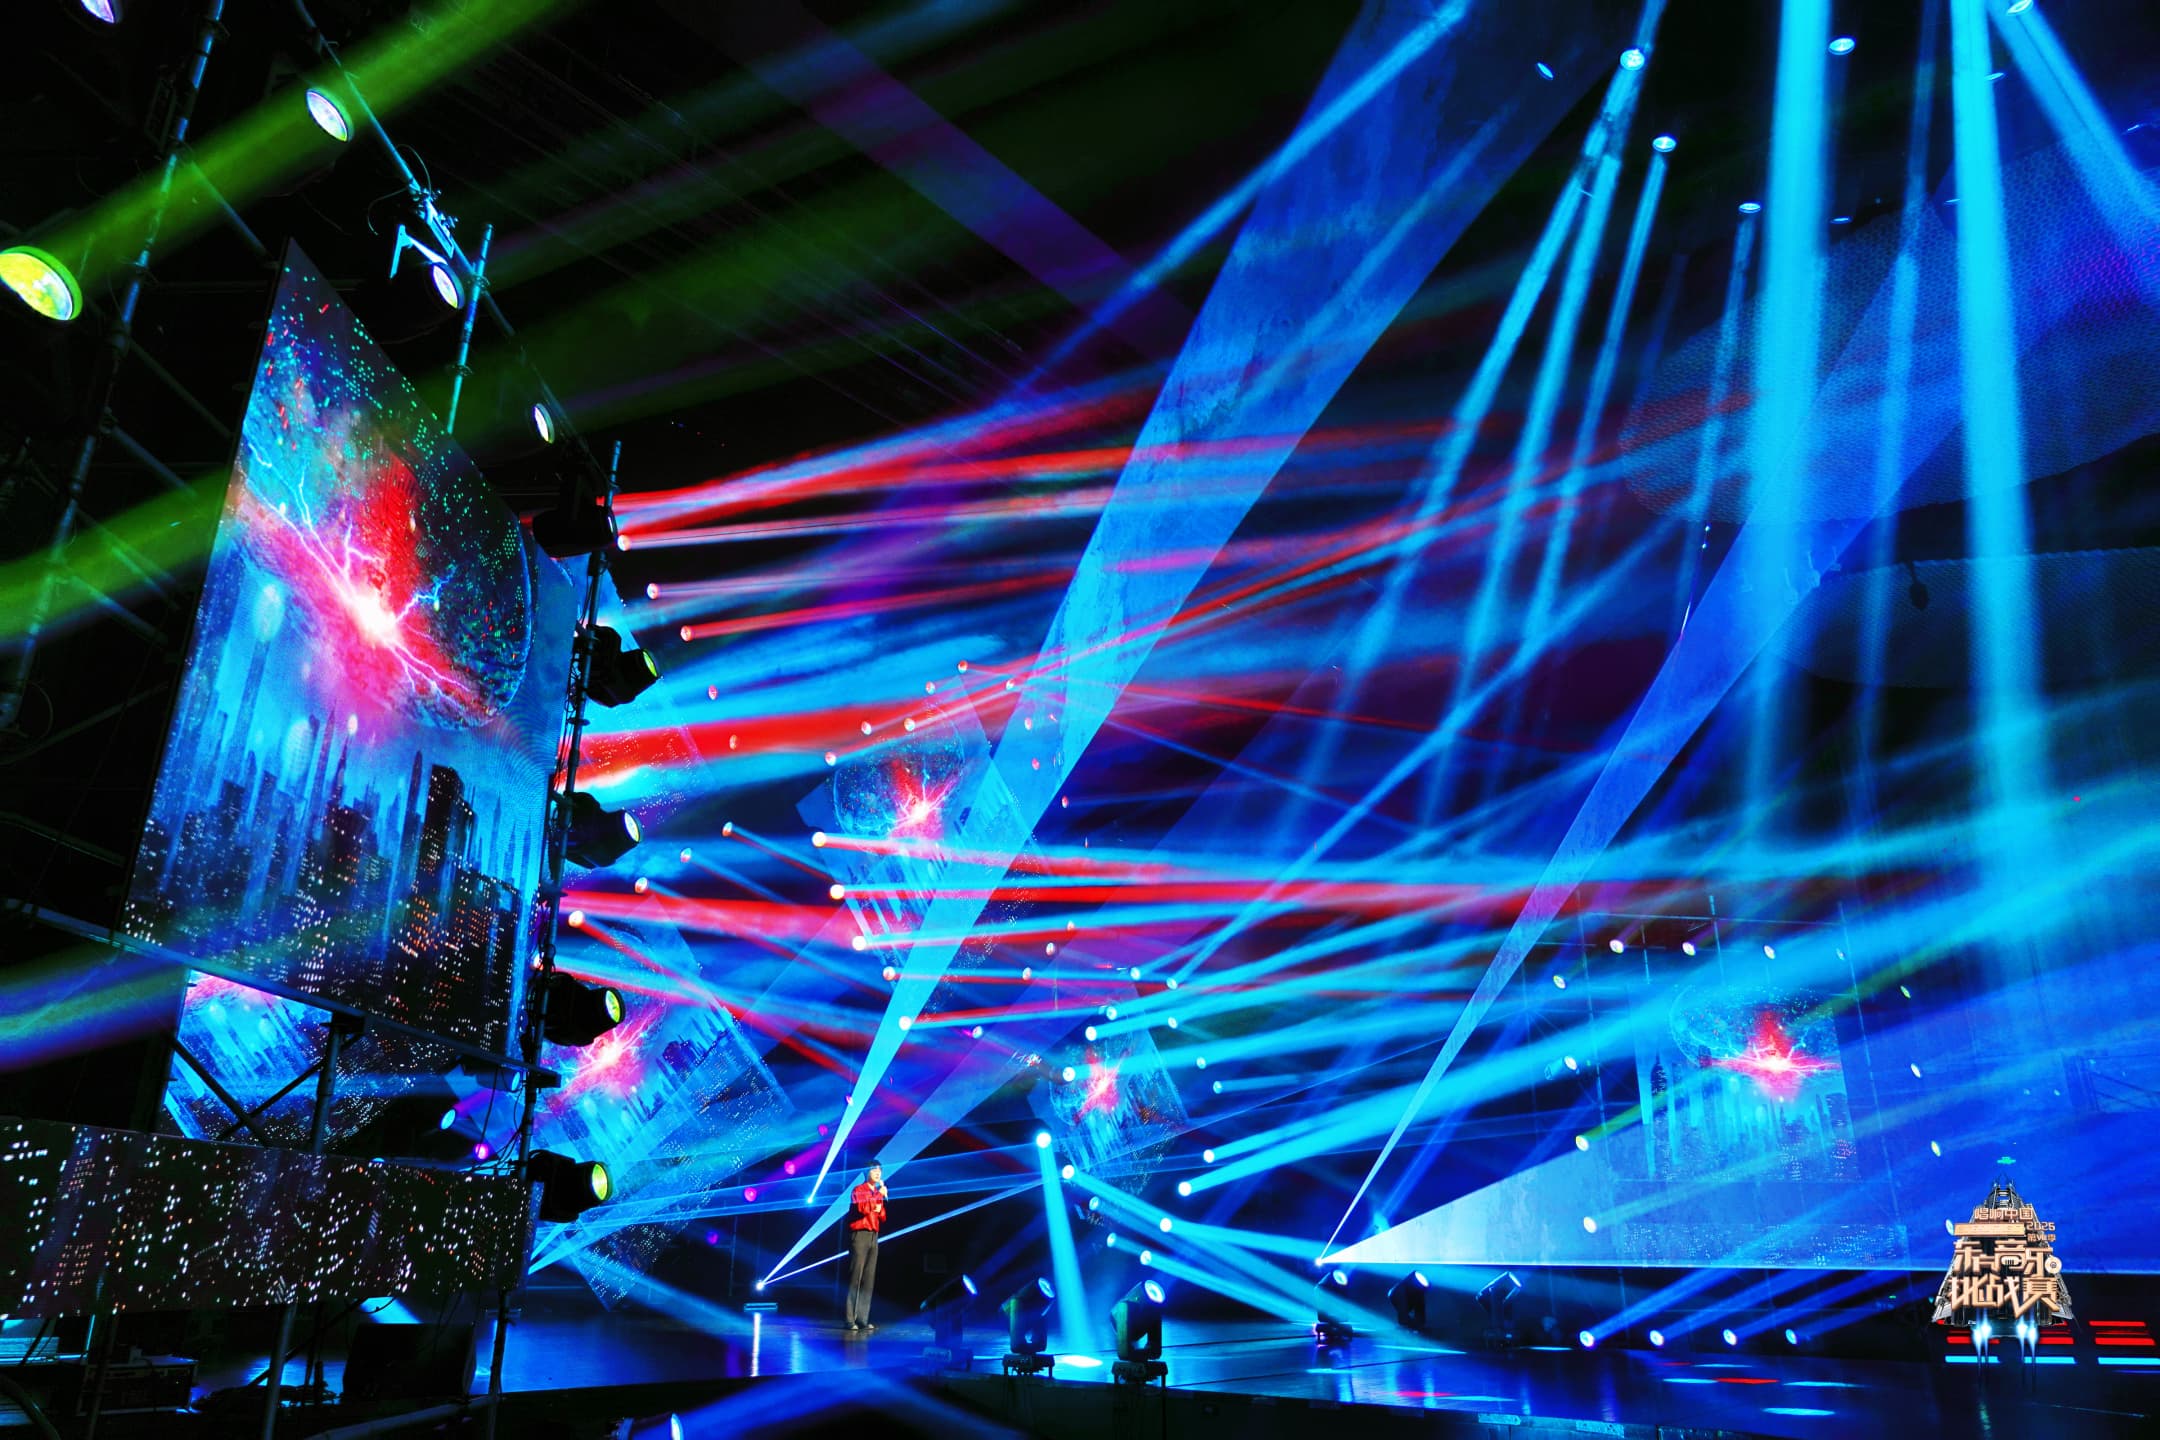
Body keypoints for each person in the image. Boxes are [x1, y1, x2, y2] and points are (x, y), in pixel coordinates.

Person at [843, 1161, 886, 1331]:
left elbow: (882, 1215)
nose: (878, 1173)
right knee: (856, 1277)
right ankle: (849, 1319)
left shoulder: (876, 1192)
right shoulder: (859, 1190)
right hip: (860, 1234)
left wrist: (879, 1198)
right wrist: (878, 1196)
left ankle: (862, 1318)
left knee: (869, 1279)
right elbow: (863, 1208)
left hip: (873, 1235)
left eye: (879, 1170)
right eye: (874, 1170)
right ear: (866, 1172)